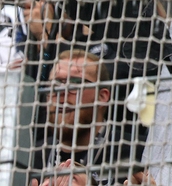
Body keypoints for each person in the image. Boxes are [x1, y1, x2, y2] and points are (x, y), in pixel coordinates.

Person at [31, 50, 125, 186]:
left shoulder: (135, 154)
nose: (61, 92)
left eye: (74, 83)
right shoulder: (29, 159)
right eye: (55, 84)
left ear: (102, 96)